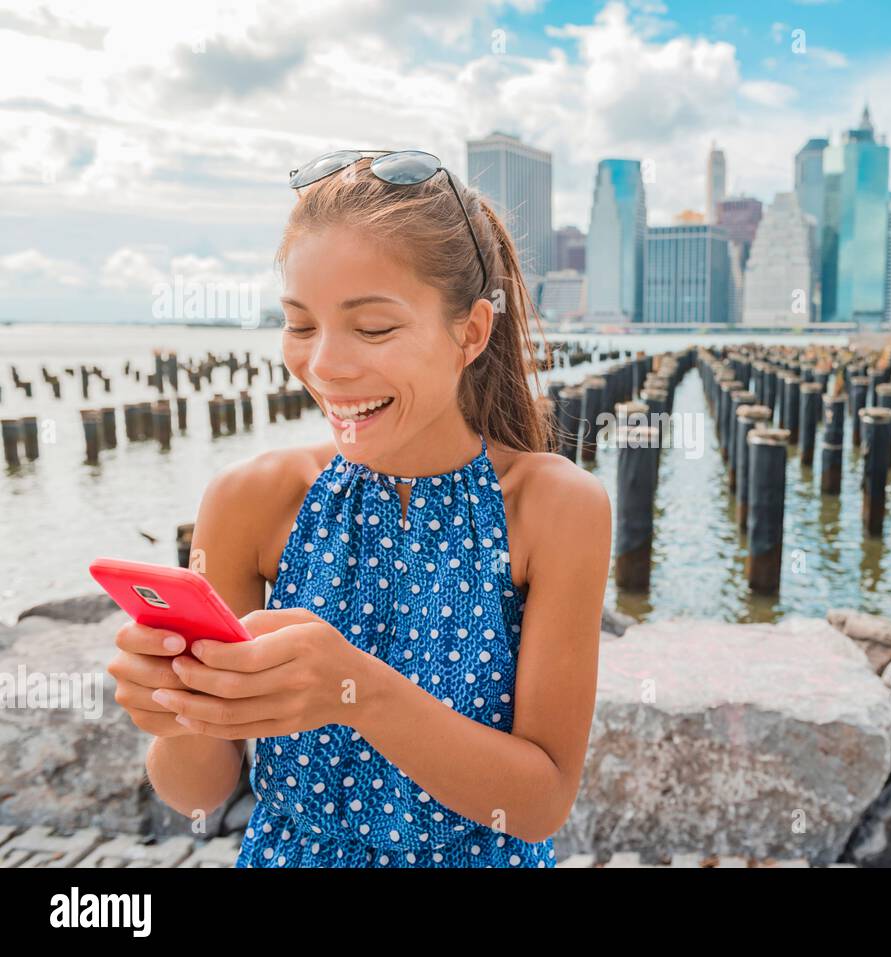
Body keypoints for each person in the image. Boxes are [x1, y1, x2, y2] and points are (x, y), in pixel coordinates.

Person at [107, 150, 612, 867]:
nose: (325, 366)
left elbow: (539, 802)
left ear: (470, 331)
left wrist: (358, 690)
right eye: (301, 325)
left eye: (373, 328)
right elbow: (197, 795)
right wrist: (181, 708)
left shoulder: (555, 508)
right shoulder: (249, 500)